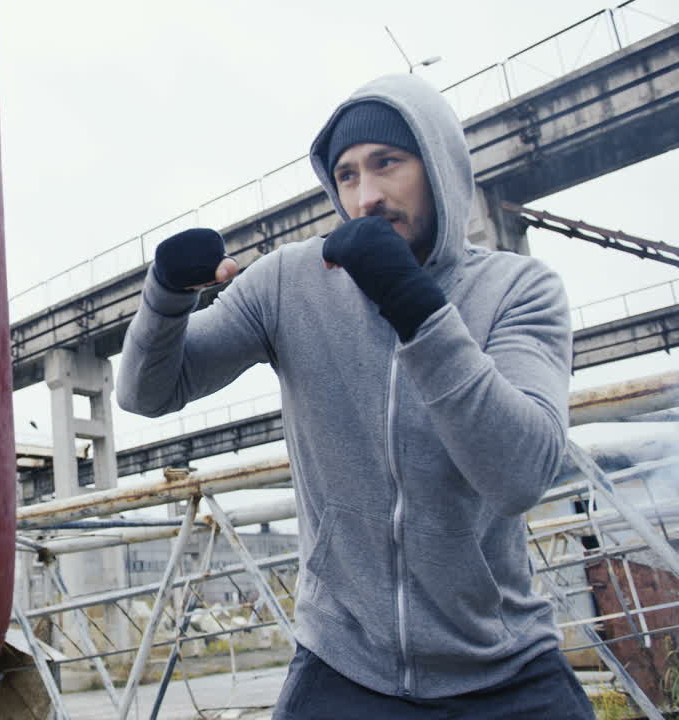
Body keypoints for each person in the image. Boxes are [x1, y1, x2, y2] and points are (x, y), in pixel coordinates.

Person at [116, 73, 595, 718]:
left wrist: (415, 306)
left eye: (388, 164)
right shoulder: (292, 281)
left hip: (502, 667)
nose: (366, 196)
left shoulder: (519, 291)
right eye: (346, 175)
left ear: (440, 169)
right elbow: (149, 392)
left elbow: (519, 475)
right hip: (346, 664)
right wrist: (166, 296)